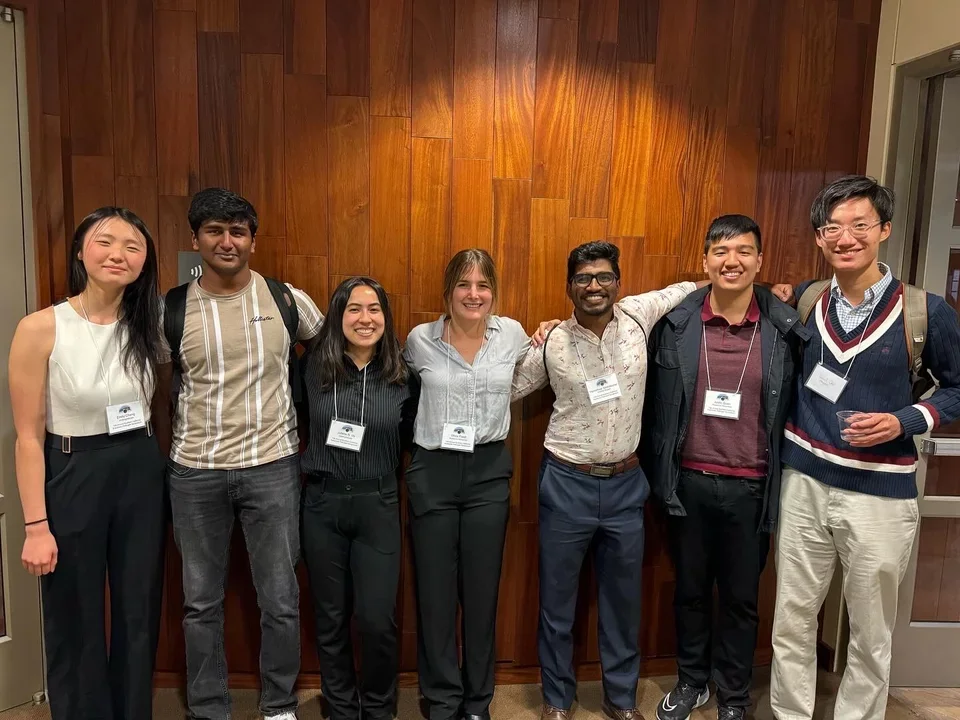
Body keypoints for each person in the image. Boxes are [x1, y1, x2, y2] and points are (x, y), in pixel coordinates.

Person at [769, 176, 960, 720]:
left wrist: (907, 419)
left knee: (871, 632)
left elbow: (958, 386)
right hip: (803, 482)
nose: (845, 237)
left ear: (884, 230)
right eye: (832, 227)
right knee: (792, 621)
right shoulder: (806, 301)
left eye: (859, 225)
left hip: (880, 494)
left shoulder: (925, 312)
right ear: (818, 237)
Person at [512, 241, 705, 720]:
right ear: (569, 286)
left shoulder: (641, 315)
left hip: (625, 484)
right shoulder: (552, 341)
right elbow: (509, 385)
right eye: (583, 278)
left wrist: (770, 293)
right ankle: (557, 700)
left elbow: (694, 286)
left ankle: (620, 699)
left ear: (618, 282)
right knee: (557, 602)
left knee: (623, 601)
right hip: (566, 481)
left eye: (603, 277)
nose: (593, 286)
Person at [156, 188, 324, 720]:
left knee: (280, 599)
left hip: (272, 466)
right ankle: (208, 708)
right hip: (194, 473)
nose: (226, 242)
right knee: (199, 605)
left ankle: (278, 706)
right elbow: (144, 373)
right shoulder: (172, 308)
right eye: (214, 231)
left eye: (237, 232)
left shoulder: (286, 300)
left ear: (252, 239)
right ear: (196, 239)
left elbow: (330, 351)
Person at [641, 216, 809, 720]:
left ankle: (733, 692)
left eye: (743, 251)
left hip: (752, 487)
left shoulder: (784, 328)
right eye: (719, 250)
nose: (730, 260)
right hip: (686, 482)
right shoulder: (675, 324)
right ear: (706, 259)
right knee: (690, 591)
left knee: (740, 598)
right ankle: (692, 681)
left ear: (759, 260)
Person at [9, 207, 167, 719]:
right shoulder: (41, 327)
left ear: (145, 261)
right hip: (73, 468)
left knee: (137, 608)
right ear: (81, 251)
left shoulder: (148, 323)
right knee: (73, 612)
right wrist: (36, 525)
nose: (118, 254)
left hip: (140, 468)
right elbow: (28, 437)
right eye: (105, 242)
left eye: (132, 246)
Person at [402, 248, 531, 720]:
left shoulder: (513, 334)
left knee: (482, 593)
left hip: (488, 472)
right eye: (463, 284)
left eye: (482, 285)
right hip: (432, 471)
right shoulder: (419, 341)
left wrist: (552, 330)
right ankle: (441, 699)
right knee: (435, 596)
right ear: (448, 291)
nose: (473, 294)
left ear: (493, 292)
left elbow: (542, 358)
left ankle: (478, 702)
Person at [300, 277, 420, 720]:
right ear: (338, 315)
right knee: (330, 618)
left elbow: (410, 437)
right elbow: (299, 419)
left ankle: (378, 709)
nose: (364, 319)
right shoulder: (311, 367)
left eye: (374, 309)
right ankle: (340, 708)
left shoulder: (404, 374)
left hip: (379, 503)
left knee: (375, 620)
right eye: (354, 309)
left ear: (386, 318)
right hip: (322, 503)